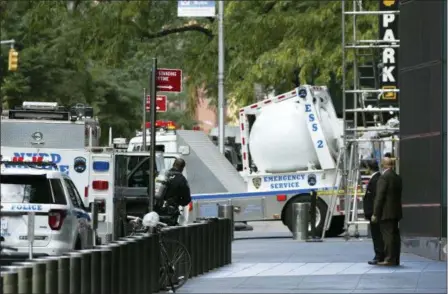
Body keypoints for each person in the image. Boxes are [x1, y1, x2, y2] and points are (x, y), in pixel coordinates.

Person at [372, 157, 402, 266]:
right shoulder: (397, 177)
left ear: (383, 165)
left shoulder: (384, 178)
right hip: (396, 212)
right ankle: (395, 259)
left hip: (386, 212)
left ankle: (389, 259)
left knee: (388, 236)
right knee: (395, 236)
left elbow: (379, 197)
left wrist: (375, 213)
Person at [156, 158, 192, 226]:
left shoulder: (162, 175)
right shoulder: (181, 179)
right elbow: (187, 199)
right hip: (170, 212)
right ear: (182, 168)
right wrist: (178, 202)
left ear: (173, 164)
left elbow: (150, 190)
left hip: (157, 209)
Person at [363, 160, 384, 265]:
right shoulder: (377, 178)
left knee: (376, 235)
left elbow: (376, 198)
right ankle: (379, 254)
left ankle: (379, 255)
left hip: (374, 213)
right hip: (373, 213)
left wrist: (374, 213)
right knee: (376, 234)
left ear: (369, 168)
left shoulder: (376, 179)